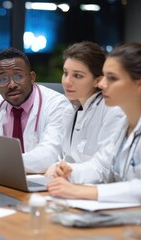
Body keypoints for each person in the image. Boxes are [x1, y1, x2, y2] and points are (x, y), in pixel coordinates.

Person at [47, 42, 141, 221]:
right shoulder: (126, 124)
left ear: (140, 85)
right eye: (104, 76)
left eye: (112, 78)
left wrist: (83, 191)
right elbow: (101, 166)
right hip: (132, 219)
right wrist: (69, 172)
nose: (102, 84)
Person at [0, 47, 71, 174]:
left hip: (41, 182)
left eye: (18, 76)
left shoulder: (57, 104)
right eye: (3, 79)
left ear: (32, 77)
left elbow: (49, 155)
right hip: (4, 180)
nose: (12, 84)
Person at [45, 41, 125, 178]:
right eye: (65, 73)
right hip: (73, 188)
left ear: (97, 80)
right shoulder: (69, 108)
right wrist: (58, 167)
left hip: (99, 191)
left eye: (78, 76)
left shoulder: (112, 110)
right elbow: (67, 157)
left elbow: (104, 169)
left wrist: (64, 171)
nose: (67, 81)